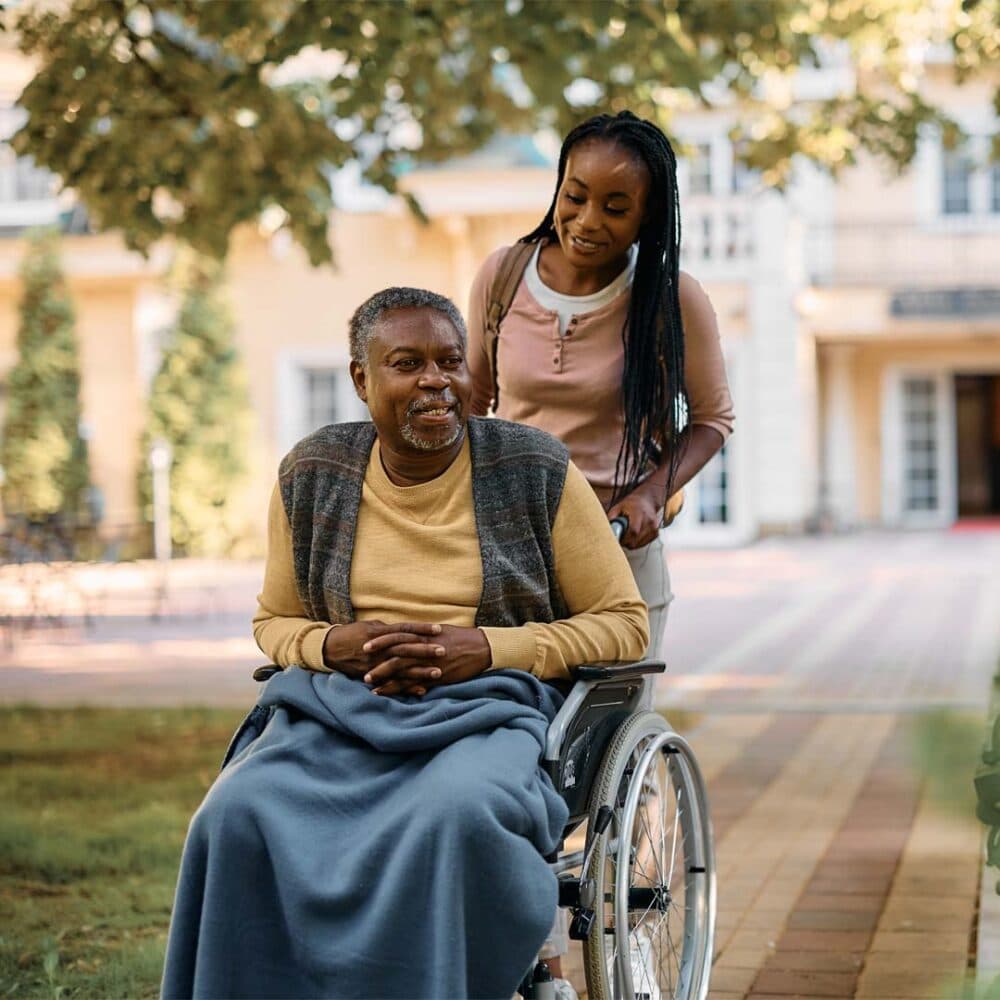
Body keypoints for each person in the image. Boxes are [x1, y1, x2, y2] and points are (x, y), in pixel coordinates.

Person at [161, 287, 648, 1000]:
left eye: (450, 361)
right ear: (362, 379)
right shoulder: (313, 473)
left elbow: (624, 622)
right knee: (233, 815)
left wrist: (485, 648)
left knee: (451, 815)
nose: (435, 381)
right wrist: (338, 646)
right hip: (339, 713)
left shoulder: (534, 470)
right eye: (407, 363)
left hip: (485, 714)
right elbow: (273, 622)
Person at [465, 108, 735, 988]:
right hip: (509, 549)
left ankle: (535, 947)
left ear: (648, 219)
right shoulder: (504, 276)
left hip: (618, 553)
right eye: (575, 194)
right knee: (495, 743)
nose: (587, 220)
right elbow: (473, 402)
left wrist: (656, 488)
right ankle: (519, 942)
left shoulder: (672, 298)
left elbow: (714, 421)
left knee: (569, 759)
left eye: (617, 208)